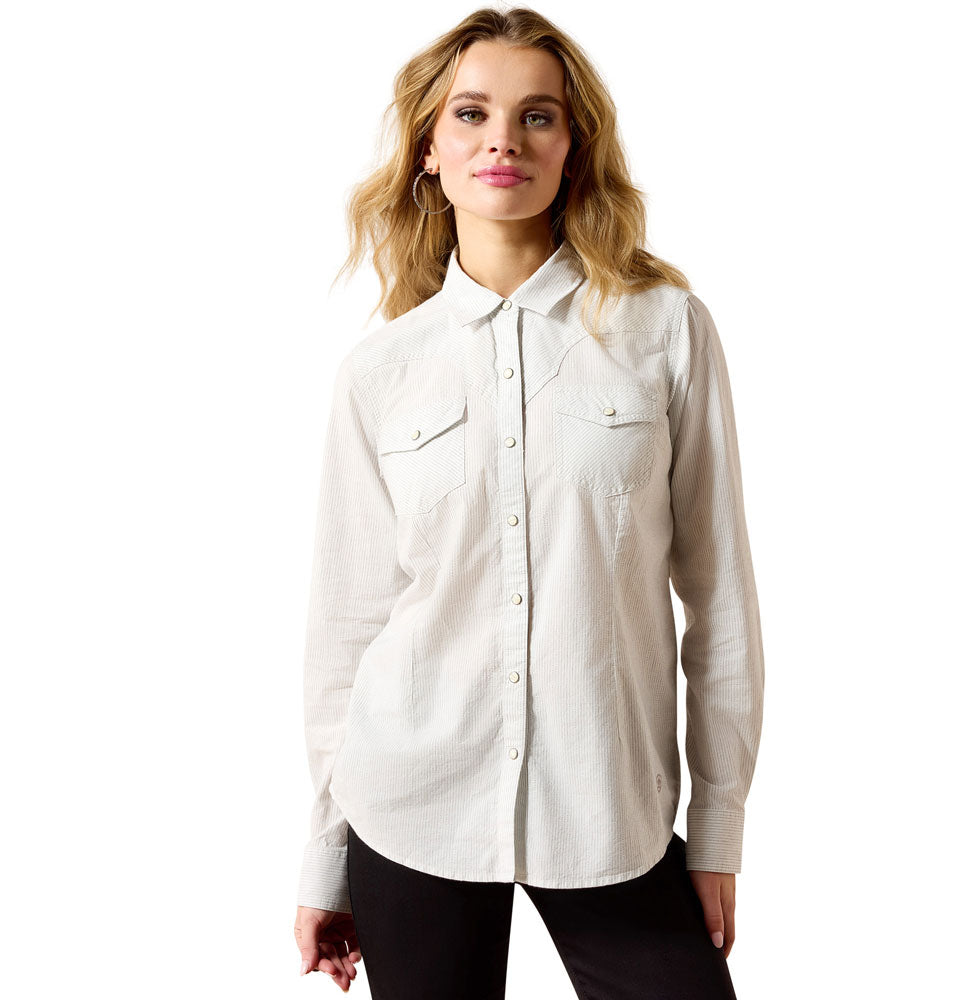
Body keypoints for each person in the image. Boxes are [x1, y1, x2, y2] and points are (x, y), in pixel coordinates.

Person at [292, 7, 765, 998]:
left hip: (611, 812)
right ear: (429, 149)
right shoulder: (380, 373)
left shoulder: (663, 331)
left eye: (536, 116)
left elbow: (719, 598)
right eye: (470, 114)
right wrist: (326, 855)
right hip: (409, 811)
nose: (502, 139)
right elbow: (348, 631)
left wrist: (717, 828)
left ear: (572, 148)